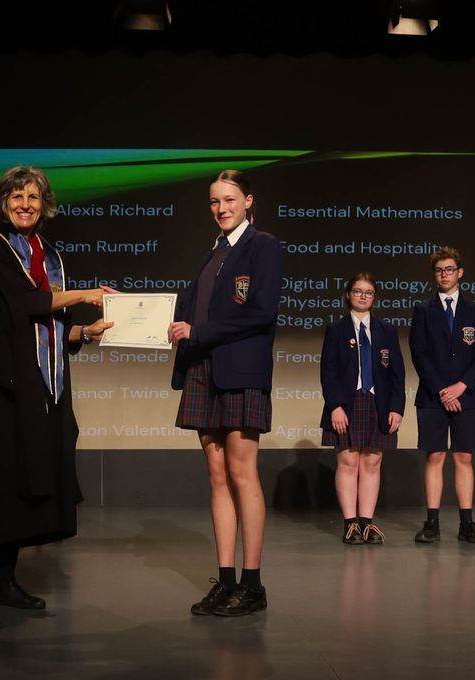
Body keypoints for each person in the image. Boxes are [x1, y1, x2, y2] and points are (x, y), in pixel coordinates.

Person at [0, 165, 114, 617]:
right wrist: (84, 294)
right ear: (3, 203)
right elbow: (22, 304)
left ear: (45, 205)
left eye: (33, 197)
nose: (25, 204)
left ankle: (4, 580)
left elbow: (48, 327)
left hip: (36, 387)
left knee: (23, 484)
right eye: (17, 196)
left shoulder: (49, 255)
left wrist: (84, 332)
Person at [168, 169, 282, 617]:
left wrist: (198, 332)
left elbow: (261, 312)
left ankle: (253, 585)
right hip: (203, 367)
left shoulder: (263, 246)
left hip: (240, 370)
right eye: (215, 201)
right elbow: (188, 312)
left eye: (230, 199)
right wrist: (136, 310)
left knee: (241, 472)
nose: (221, 208)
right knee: (217, 475)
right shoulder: (213, 252)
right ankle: (227, 579)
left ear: (248, 201)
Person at [409, 247, 475, 544]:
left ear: (460, 272)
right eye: (439, 270)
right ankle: (431, 523)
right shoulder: (423, 310)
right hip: (433, 396)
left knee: (464, 457)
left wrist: (461, 386)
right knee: (435, 456)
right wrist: (443, 390)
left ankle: (466, 524)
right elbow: (419, 354)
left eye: (449, 269)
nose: (444, 275)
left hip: (467, 396)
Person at [320, 273, 405, 545]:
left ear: (374, 297)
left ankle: (366, 522)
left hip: (378, 403)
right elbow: (328, 372)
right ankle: (350, 524)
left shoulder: (387, 331)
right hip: (347, 403)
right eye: (358, 291)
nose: (363, 296)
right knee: (348, 462)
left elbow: (397, 374)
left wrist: (397, 408)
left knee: (372, 462)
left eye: (368, 292)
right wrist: (335, 406)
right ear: (348, 294)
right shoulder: (336, 330)